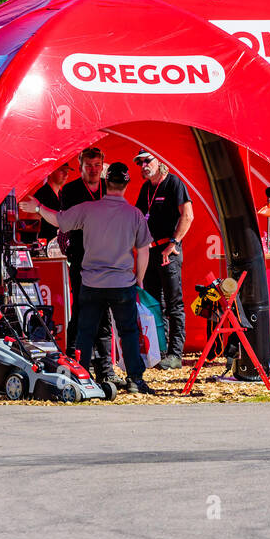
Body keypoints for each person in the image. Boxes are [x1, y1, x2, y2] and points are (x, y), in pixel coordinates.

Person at [25, 162, 153, 394]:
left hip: (92, 283)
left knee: (86, 331)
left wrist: (37, 208)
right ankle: (135, 379)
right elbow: (144, 250)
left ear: (106, 182)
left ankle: (81, 377)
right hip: (122, 284)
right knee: (129, 333)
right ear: (126, 184)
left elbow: (59, 220)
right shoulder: (134, 215)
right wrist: (139, 279)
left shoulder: (88, 209)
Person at [133, 149, 194, 370]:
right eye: (140, 163)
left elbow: (188, 215)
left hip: (168, 252)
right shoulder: (146, 188)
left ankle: (175, 353)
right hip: (150, 252)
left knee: (173, 303)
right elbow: (139, 218)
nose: (143, 165)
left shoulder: (173, 183)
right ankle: (158, 351)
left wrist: (174, 243)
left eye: (147, 161)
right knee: (152, 303)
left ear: (159, 160)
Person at [60, 148, 113, 370]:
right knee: (83, 307)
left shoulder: (110, 189)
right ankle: (75, 357)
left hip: (107, 260)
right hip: (82, 259)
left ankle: (105, 365)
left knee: (104, 311)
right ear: (81, 165)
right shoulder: (70, 190)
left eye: (97, 165)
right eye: (89, 166)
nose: (93, 170)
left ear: (103, 165)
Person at [21, 162, 71, 245]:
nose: (65, 174)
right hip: (44, 249)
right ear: (50, 172)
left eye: (67, 171)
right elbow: (30, 225)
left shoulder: (62, 195)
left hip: (58, 248)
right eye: (62, 170)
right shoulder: (42, 195)